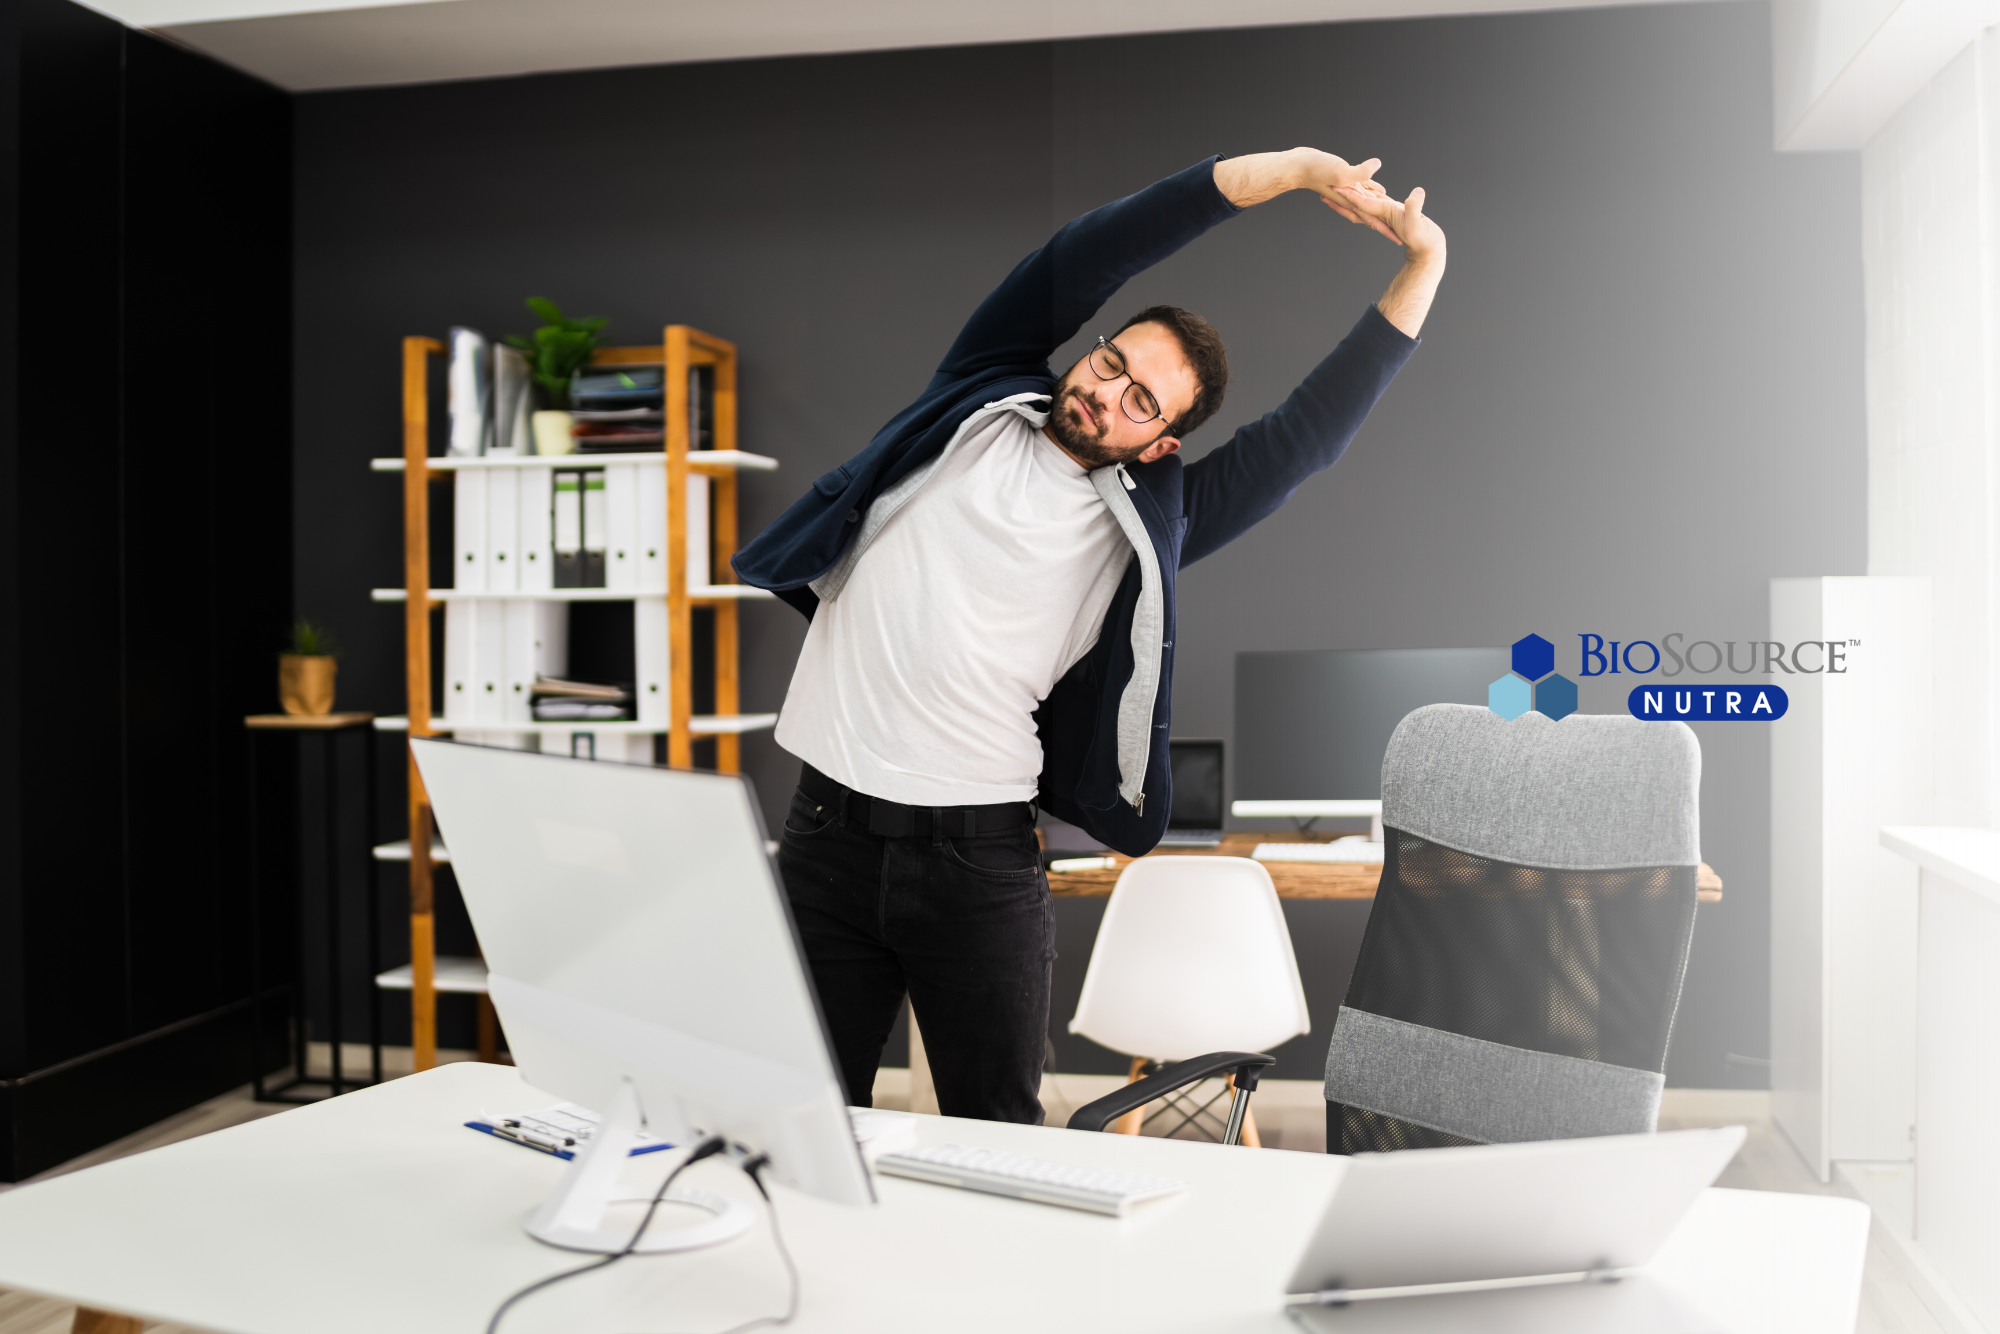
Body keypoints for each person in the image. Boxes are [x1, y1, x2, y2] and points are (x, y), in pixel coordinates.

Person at [733, 149, 1447, 1122]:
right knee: (801, 1122)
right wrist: (1281, 172)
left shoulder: (1147, 527)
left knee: (1000, 1138)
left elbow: (1304, 438)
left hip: (974, 862)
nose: (1105, 393)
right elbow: (1091, 250)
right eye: (1112, 362)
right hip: (822, 832)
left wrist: (1422, 265)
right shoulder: (977, 394)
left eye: (1139, 400)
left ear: (1160, 441)